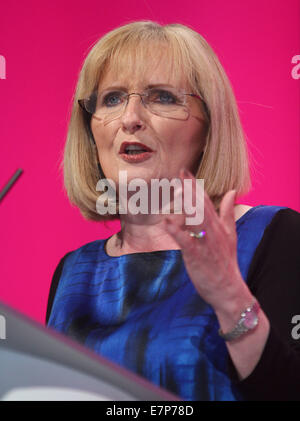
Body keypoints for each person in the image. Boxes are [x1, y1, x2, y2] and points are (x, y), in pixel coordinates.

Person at [46, 20, 300, 401]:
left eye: (162, 97)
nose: (130, 118)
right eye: (112, 98)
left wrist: (230, 298)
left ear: (209, 128)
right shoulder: (73, 271)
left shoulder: (274, 235)